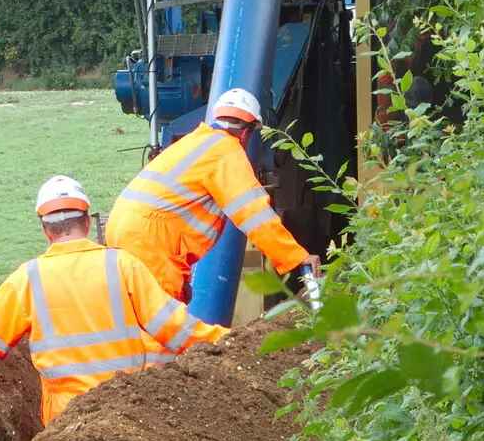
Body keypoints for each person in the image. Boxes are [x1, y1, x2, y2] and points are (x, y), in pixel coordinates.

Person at [0, 175, 229, 424]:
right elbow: (174, 328)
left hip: (65, 419)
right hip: (125, 408)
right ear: (87, 222)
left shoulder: (26, 280)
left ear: (45, 231)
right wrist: (228, 340)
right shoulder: (122, 265)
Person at [104, 87, 322, 301]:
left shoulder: (195, 141)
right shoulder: (226, 151)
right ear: (246, 132)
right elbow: (255, 215)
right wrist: (295, 257)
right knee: (160, 323)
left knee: (136, 315)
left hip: (122, 229)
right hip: (148, 239)